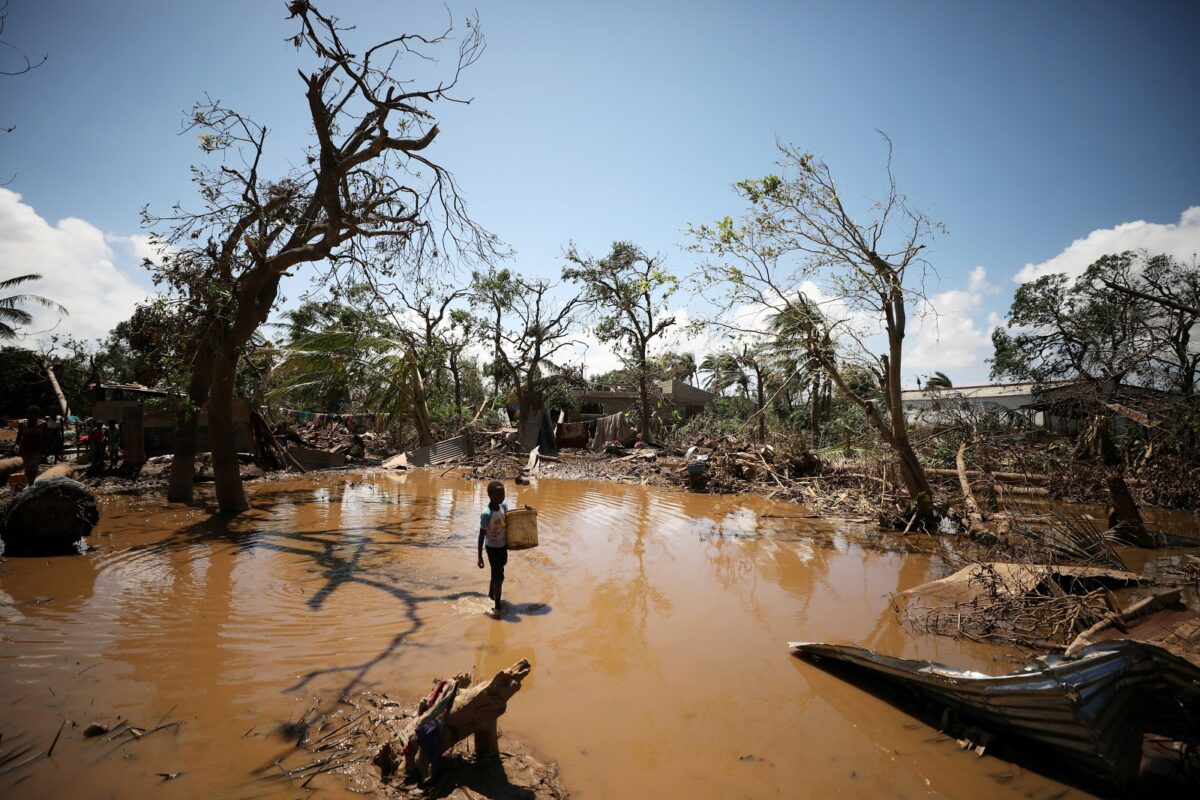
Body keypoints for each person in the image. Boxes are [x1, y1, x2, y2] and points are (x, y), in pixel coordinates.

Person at [476, 480, 509, 614]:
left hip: (502, 546)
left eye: (503, 493)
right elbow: (481, 535)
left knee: (497, 571)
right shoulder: (486, 514)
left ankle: (490, 594)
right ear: (490, 495)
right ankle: (497, 607)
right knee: (500, 576)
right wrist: (480, 557)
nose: (501, 497)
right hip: (492, 548)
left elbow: (511, 520)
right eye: (498, 494)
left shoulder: (504, 507)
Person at [15, 405, 47, 485]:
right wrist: (16, 445)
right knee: (28, 468)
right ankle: (30, 483)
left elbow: (46, 437)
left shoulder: (43, 424)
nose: (32, 415)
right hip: (25, 448)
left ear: (37, 414)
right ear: (28, 414)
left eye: (34, 414)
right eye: (31, 413)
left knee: (34, 466)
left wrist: (46, 448)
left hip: (37, 448)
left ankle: (32, 483)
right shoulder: (22, 423)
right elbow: (19, 436)